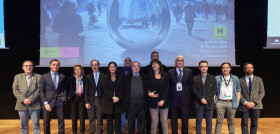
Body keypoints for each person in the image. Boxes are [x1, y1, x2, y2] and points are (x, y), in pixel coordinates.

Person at [12, 60, 41, 134]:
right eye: (26, 66)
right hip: (22, 104)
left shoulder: (38, 76)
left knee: (36, 125)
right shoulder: (17, 77)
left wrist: (31, 99)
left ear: (33, 67)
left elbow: (39, 89)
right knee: (23, 126)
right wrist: (23, 99)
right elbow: (15, 90)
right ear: (23, 67)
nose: (28, 67)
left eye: (30, 65)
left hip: (35, 104)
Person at [40, 59, 66, 134]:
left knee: (61, 120)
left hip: (59, 101)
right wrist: (45, 103)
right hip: (48, 102)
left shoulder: (62, 76)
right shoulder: (44, 76)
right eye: (54, 64)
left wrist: (63, 98)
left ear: (59, 66)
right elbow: (41, 90)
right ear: (50, 65)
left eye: (57, 65)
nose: (55, 66)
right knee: (46, 121)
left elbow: (63, 89)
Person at [168, 55, 193, 134]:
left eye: (181, 61)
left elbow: (190, 85)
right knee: (173, 119)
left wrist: (185, 93)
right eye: (178, 60)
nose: (180, 62)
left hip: (185, 99)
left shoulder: (189, 71)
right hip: (173, 99)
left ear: (183, 62)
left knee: (185, 119)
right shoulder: (170, 72)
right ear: (175, 62)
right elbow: (169, 86)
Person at [238, 62, 265, 134]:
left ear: (253, 69)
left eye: (251, 68)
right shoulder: (240, 80)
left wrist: (254, 102)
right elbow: (237, 93)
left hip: (256, 105)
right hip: (244, 105)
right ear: (244, 70)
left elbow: (262, 92)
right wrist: (245, 102)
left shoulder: (259, 79)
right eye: (247, 68)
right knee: (244, 123)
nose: (249, 69)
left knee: (254, 124)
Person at [214, 62, 241, 134]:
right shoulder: (217, 78)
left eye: (227, 67)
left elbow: (238, 90)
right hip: (220, 102)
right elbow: (214, 91)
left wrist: (237, 101)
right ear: (221, 69)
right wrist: (215, 102)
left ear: (230, 68)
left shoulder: (235, 78)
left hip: (231, 102)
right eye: (223, 68)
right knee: (219, 121)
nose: (225, 69)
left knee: (231, 121)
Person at [192, 61, 216, 134]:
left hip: (209, 102)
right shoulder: (194, 78)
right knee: (198, 120)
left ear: (207, 67)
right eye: (202, 67)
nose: (204, 68)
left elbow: (213, 90)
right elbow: (194, 90)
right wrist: (201, 99)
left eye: (205, 66)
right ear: (199, 68)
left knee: (209, 120)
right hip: (198, 102)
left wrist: (206, 99)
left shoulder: (212, 78)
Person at [123, 61, 147, 134]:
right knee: (131, 123)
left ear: (140, 68)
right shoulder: (126, 77)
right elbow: (123, 90)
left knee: (142, 123)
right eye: (134, 66)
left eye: (137, 66)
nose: (136, 68)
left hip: (142, 103)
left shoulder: (144, 77)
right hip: (131, 104)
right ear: (131, 68)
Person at [147, 59, 169, 134]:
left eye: (156, 63)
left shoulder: (165, 75)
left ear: (159, 65)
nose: (154, 65)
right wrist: (149, 93)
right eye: (152, 64)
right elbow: (147, 88)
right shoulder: (149, 76)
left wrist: (163, 100)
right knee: (154, 121)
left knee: (164, 121)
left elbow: (167, 89)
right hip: (153, 102)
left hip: (164, 102)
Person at [102, 62, 124, 134]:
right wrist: (112, 97)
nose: (112, 68)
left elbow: (122, 89)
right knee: (109, 121)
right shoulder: (105, 78)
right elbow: (105, 90)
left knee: (118, 121)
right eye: (110, 67)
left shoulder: (120, 77)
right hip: (108, 102)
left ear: (116, 68)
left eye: (113, 66)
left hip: (118, 102)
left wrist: (118, 97)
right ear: (109, 68)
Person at [117, 57, 138, 134]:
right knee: (123, 114)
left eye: (129, 61)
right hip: (122, 96)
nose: (127, 62)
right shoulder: (119, 72)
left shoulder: (135, 71)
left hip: (133, 96)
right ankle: (122, 130)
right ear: (124, 62)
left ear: (131, 62)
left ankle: (135, 128)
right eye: (126, 60)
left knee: (134, 113)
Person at [84, 59, 105, 134]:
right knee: (91, 119)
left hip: (100, 100)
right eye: (93, 65)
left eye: (96, 65)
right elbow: (85, 91)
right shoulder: (87, 77)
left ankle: (100, 132)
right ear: (91, 66)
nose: (94, 66)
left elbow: (105, 91)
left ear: (98, 66)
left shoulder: (104, 76)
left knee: (100, 119)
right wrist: (86, 102)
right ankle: (92, 132)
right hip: (90, 101)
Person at [67, 64, 86, 134]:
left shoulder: (84, 78)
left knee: (82, 115)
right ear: (74, 71)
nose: (78, 70)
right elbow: (67, 88)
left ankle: (82, 131)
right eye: (76, 69)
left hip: (82, 98)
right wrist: (69, 96)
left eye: (79, 69)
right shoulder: (71, 79)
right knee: (74, 116)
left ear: (81, 70)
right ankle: (74, 131)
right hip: (74, 98)